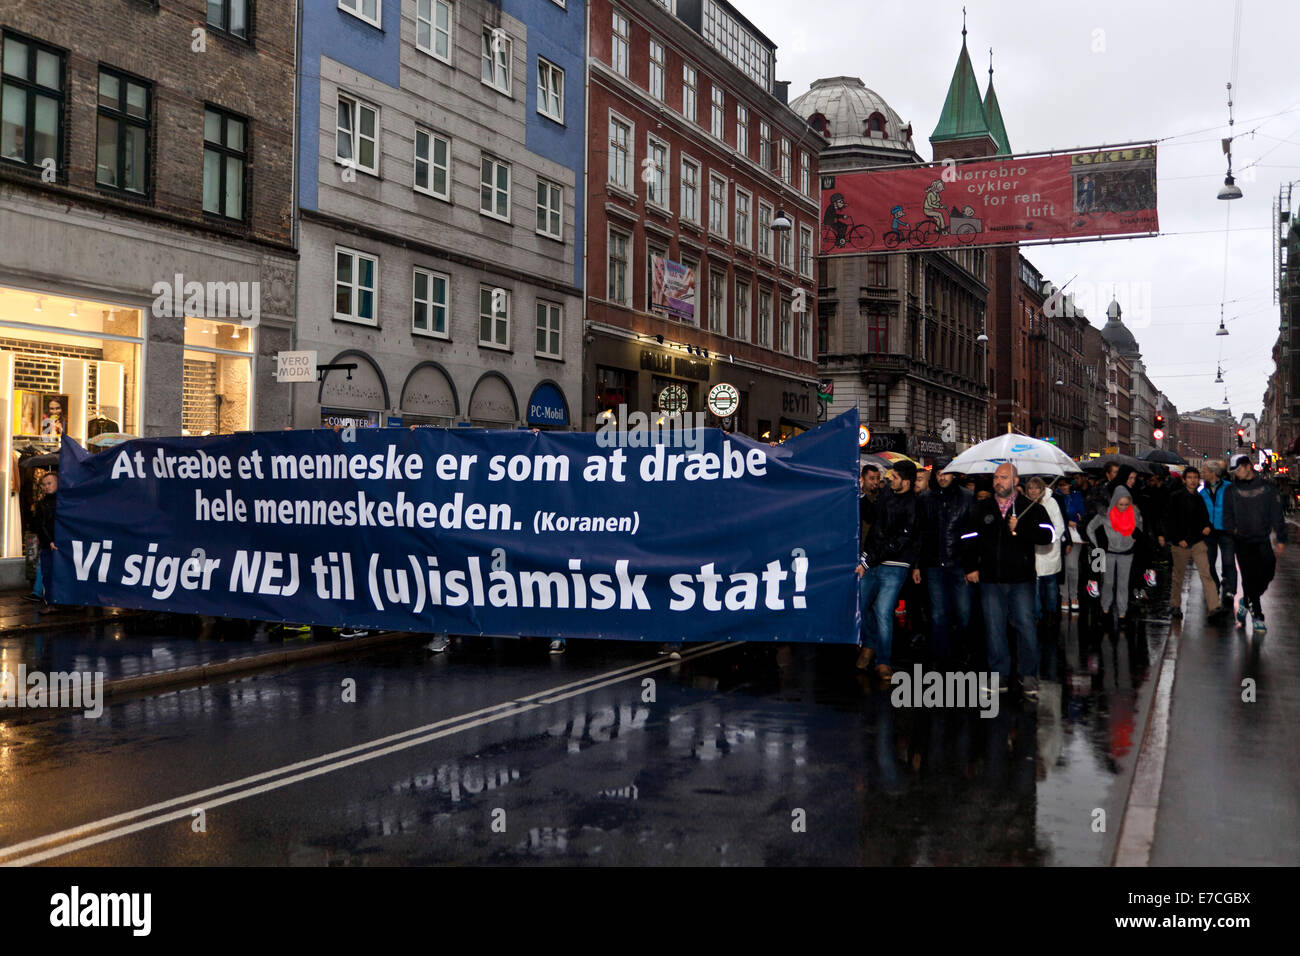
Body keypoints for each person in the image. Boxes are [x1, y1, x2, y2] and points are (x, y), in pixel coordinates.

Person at [959, 463, 1054, 701]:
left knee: (1025, 626)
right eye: (995, 478)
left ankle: (1028, 675)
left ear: (1015, 480)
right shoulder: (982, 507)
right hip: (991, 579)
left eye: (1002, 477)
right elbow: (968, 537)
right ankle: (998, 675)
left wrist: (1021, 528)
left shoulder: (1030, 507)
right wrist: (971, 566)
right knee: (994, 628)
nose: (997, 482)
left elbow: (1049, 535)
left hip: (1021, 579)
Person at [857, 461, 920, 680]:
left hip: (896, 564)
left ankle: (883, 661)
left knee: (883, 611)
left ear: (906, 481)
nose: (889, 479)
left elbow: (898, 541)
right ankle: (871, 642)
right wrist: (862, 497)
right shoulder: (886, 495)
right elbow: (873, 519)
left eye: (894, 476)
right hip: (873, 560)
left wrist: (868, 560)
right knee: (860, 605)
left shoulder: (913, 505)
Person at [915, 463, 975, 670]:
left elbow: (973, 533)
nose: (942, 477)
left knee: (964, 614)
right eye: (939, 473)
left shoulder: (966, 497)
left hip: (959, 564)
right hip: (933, 565)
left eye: (946, 473)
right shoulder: (925, 499)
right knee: (938, 614)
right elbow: (920, 533)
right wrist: (917, 565)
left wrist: (971, 565)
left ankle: (962, 651)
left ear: (954, 475)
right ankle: (941, 658)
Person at [1222, 453, 1287, 632]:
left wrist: (1281, 538)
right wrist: (1233, 530)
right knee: (1249, 576)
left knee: (1268, 573)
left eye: (1237, 470)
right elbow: (1226, 516)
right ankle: (1257, 615)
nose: (1235, 474)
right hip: (1242, 541)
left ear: (1247, 466)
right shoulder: (1231, 491)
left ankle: (1247, 600)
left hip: (1262, 539)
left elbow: (1276, 514)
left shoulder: (1267, 488)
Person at [1165, 465, 1227, 623]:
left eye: (1195, 478)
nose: (1193, 481)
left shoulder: (1199, 497)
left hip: (1197, 541)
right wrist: (1178, 538)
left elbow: (1204, 517)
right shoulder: (1175, 497)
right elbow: (1170, 520)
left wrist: (1206, 526)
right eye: (1190, 478)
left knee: (1206, 573)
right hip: (1181, 543)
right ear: (1184, 480)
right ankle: (1175, 604)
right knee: (1178, 575)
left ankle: (1214, 606)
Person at [1086, 485, 1143, 628]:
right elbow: (1090, 528)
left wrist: (1135, 538)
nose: (1123, 507)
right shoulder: (1105, 515)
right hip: (1109, 553)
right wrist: (1097, 545)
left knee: (1123, 584)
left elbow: (1140, 528)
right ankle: (1105, 610)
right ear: (1114, 502)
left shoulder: (1134, 513)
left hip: (1126, 552)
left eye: (1126, 504)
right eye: (1120, 504)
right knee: (1108, 583)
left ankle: (1122, 614)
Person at [1025, 477, 1065, 624]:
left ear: (1042, 489)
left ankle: (1051, 614)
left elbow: (1059, 526)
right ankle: (1037, 616)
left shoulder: (1051, 503)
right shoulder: (1025, 505)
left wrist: (1049, 540)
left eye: (1036, 488)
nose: (1033, 491)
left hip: (1049, 551)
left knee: (1050, 585)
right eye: (1030, 488)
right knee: (1034, 587)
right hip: (1033, 553)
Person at [1199, 461, 1236, 613]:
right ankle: (1214, 586)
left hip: (1226, 531)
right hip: (1209, 532)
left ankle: (1229, 590)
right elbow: (1200, 512)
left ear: (1214, 473)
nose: (1203, 473)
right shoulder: (1203, 491)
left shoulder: (1229, 488)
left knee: (1228, 562)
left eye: (1205, 471)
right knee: (1209, 563)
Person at [1060, 475, 1087, 613]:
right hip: (1062, 534)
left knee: (1072, 566)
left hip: (1076, 534)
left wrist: (1074, 520)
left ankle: (1073, 596)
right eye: (1061, 485)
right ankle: (1065, 597)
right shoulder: (1057, 497)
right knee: (1064, 566)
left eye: (1066, 484)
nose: (1064, 487)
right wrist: (1069, 520)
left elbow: (1081, 513)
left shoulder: (1077, 496)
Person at [35, 471, 59, 612]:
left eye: (49, 483)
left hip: (63, 544)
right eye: (44, 485)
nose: (46, 487)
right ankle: (50, 603)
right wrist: (49, 541)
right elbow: (40, 525)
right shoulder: (41, 504)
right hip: (48, 546)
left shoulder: (65, 501)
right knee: (48, 574)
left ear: (57, 483)